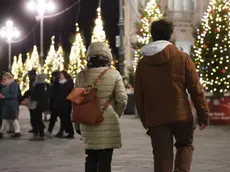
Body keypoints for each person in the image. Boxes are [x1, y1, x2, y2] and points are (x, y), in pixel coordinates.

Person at [134, 19, 209, 172]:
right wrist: (203, 115)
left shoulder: (143, 64)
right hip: (181, 115)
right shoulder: (182, 58)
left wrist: (145, 120)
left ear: (152, 35)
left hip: (156, 119)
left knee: (162, 158)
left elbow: (138, 95)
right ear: (169, 35)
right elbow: (196, 90)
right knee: (185, 145)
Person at [76, 42, 128, 172]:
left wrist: (77, 125)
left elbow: (76, 103)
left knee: (90, 157)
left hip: (87, 120)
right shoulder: (114, 74)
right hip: (108, 120)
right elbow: (122, 99)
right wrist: (116, 113)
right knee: (106, 160)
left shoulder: (81, 75)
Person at [22, 74, 50, 141]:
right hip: (41, 105)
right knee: (39, 119)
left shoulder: (38, 85)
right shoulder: (46, 85)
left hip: (35, 105)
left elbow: (34, 95)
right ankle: (41, 134)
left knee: (35, 120)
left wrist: (28, 99)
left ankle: (36, 134)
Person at [52, 70, 75, 139]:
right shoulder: (59, 83)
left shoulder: (69, 83)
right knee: (62, 119)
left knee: (66, 118)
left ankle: (70, 132)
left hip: (66, 104)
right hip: (60, 104)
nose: (60, 76)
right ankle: (61, 131)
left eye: (61, 75)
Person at [0, 72, 21, 138]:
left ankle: (17, 132)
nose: (4, 80)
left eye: (5, 79)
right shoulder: (9, 85)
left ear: (9, 78)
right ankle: (1, 132)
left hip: (11, 104)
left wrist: (4, 96)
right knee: (6, 118)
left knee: (12, 118)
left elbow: (14, 95)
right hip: (8, 104)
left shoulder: (13, 84)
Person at [46, 71, 60, 138]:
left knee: (55, 118)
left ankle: (50, 131)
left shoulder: (58, 84)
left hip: (57, 104)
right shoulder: (53, 84)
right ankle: (50, 131)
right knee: (53, 118)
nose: (53, 77)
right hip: (54, 104)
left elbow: (56, 95)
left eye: (54, 76)